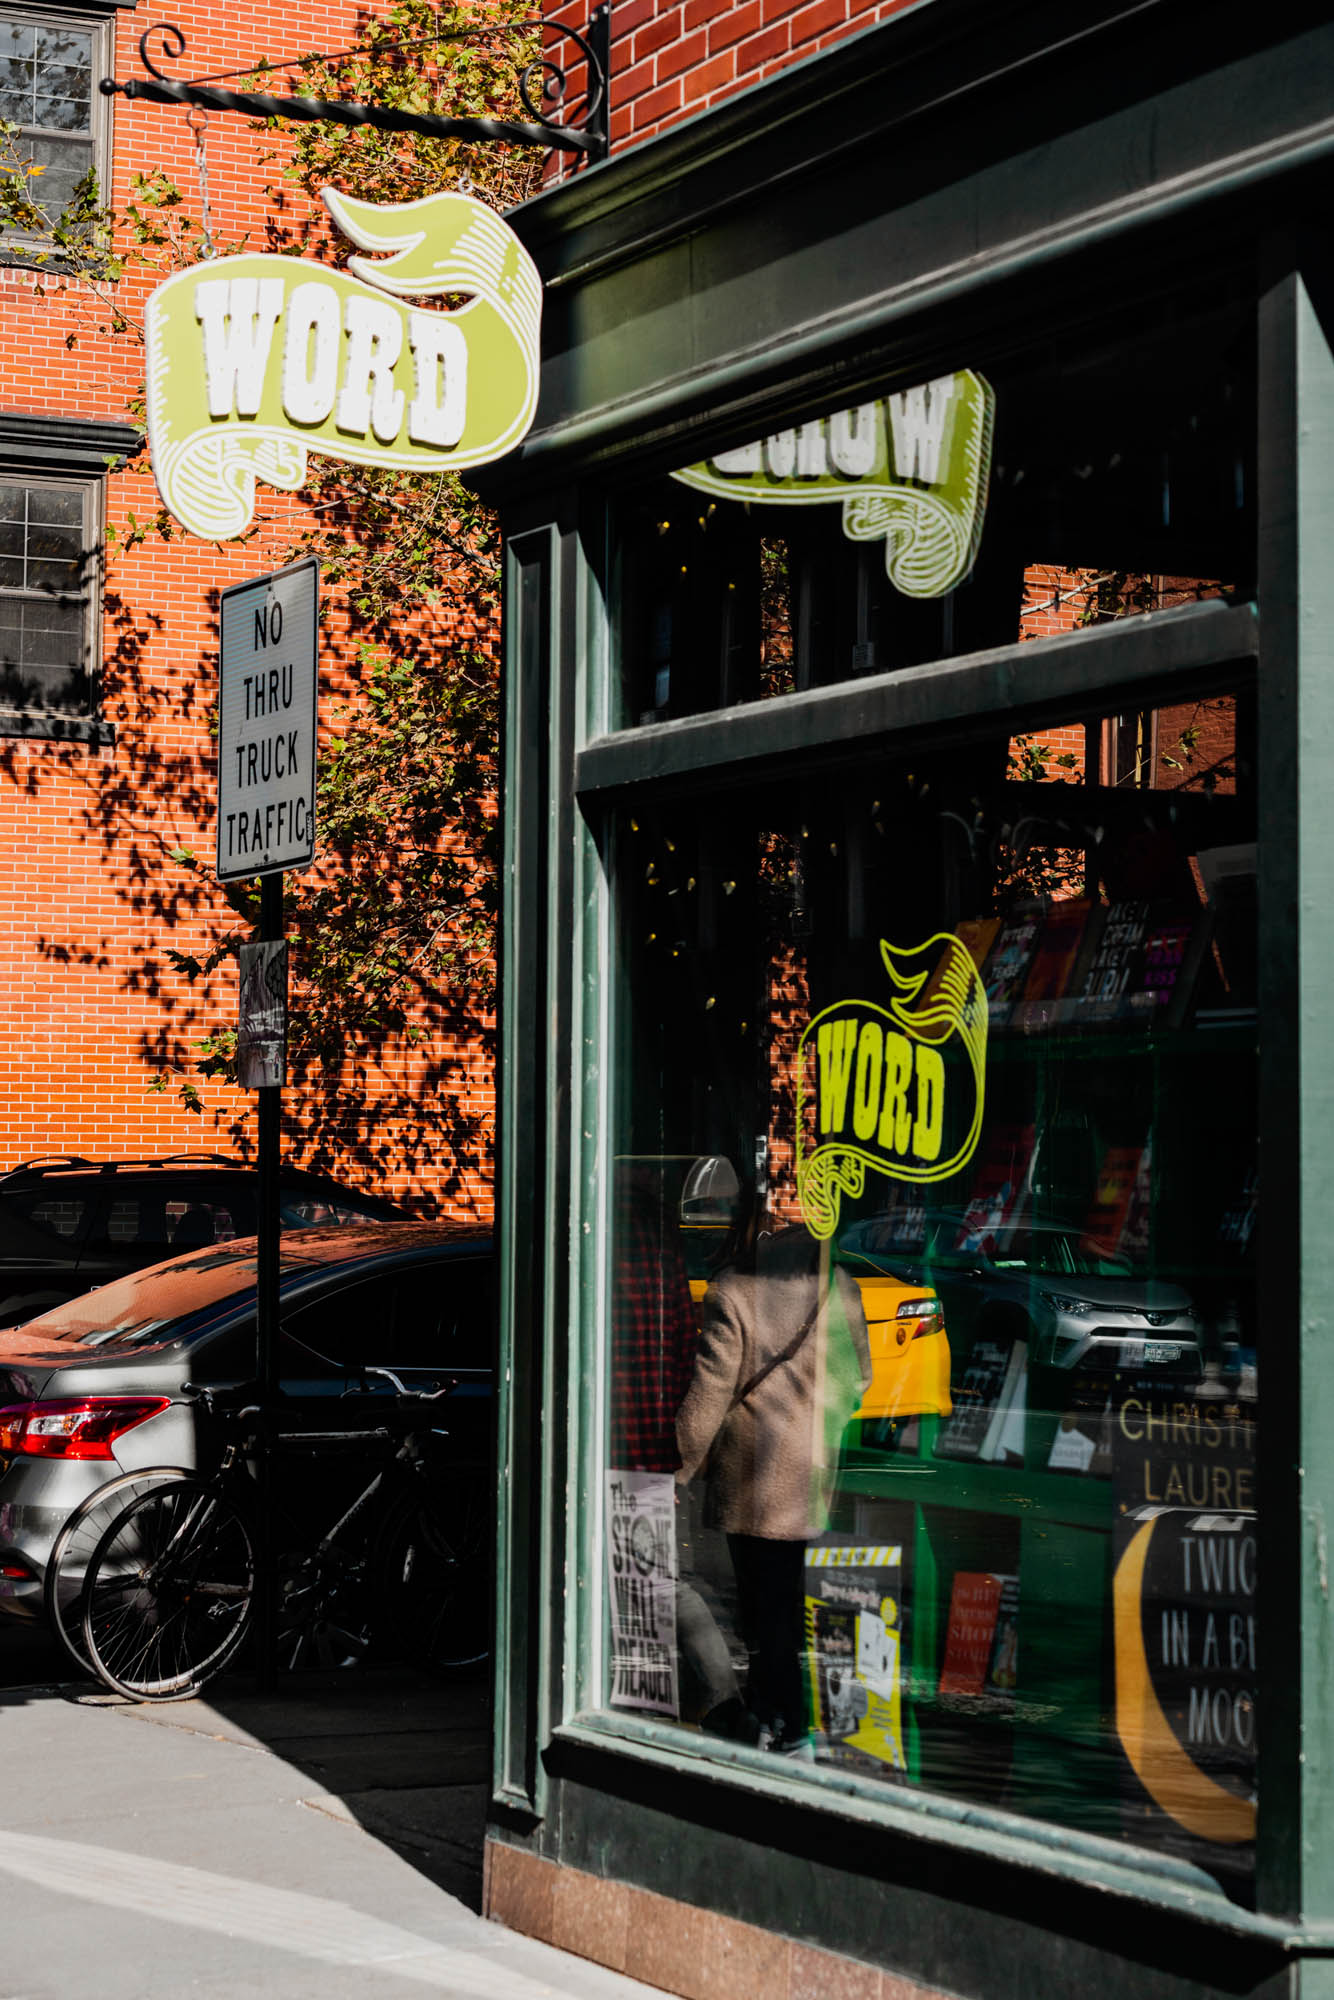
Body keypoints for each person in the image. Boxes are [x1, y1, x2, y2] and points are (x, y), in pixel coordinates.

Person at [676, 1206, 871, 1751]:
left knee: (764, 1613)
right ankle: (788, 1717)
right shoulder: (838, 1286)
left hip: (754, 1484)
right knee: (791, 1607)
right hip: (811, 1476)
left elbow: (708, 1397)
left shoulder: (732, 1294)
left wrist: (681, 1465)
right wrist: (819, 1421)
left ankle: (779, 1719)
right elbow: (861, 1379)